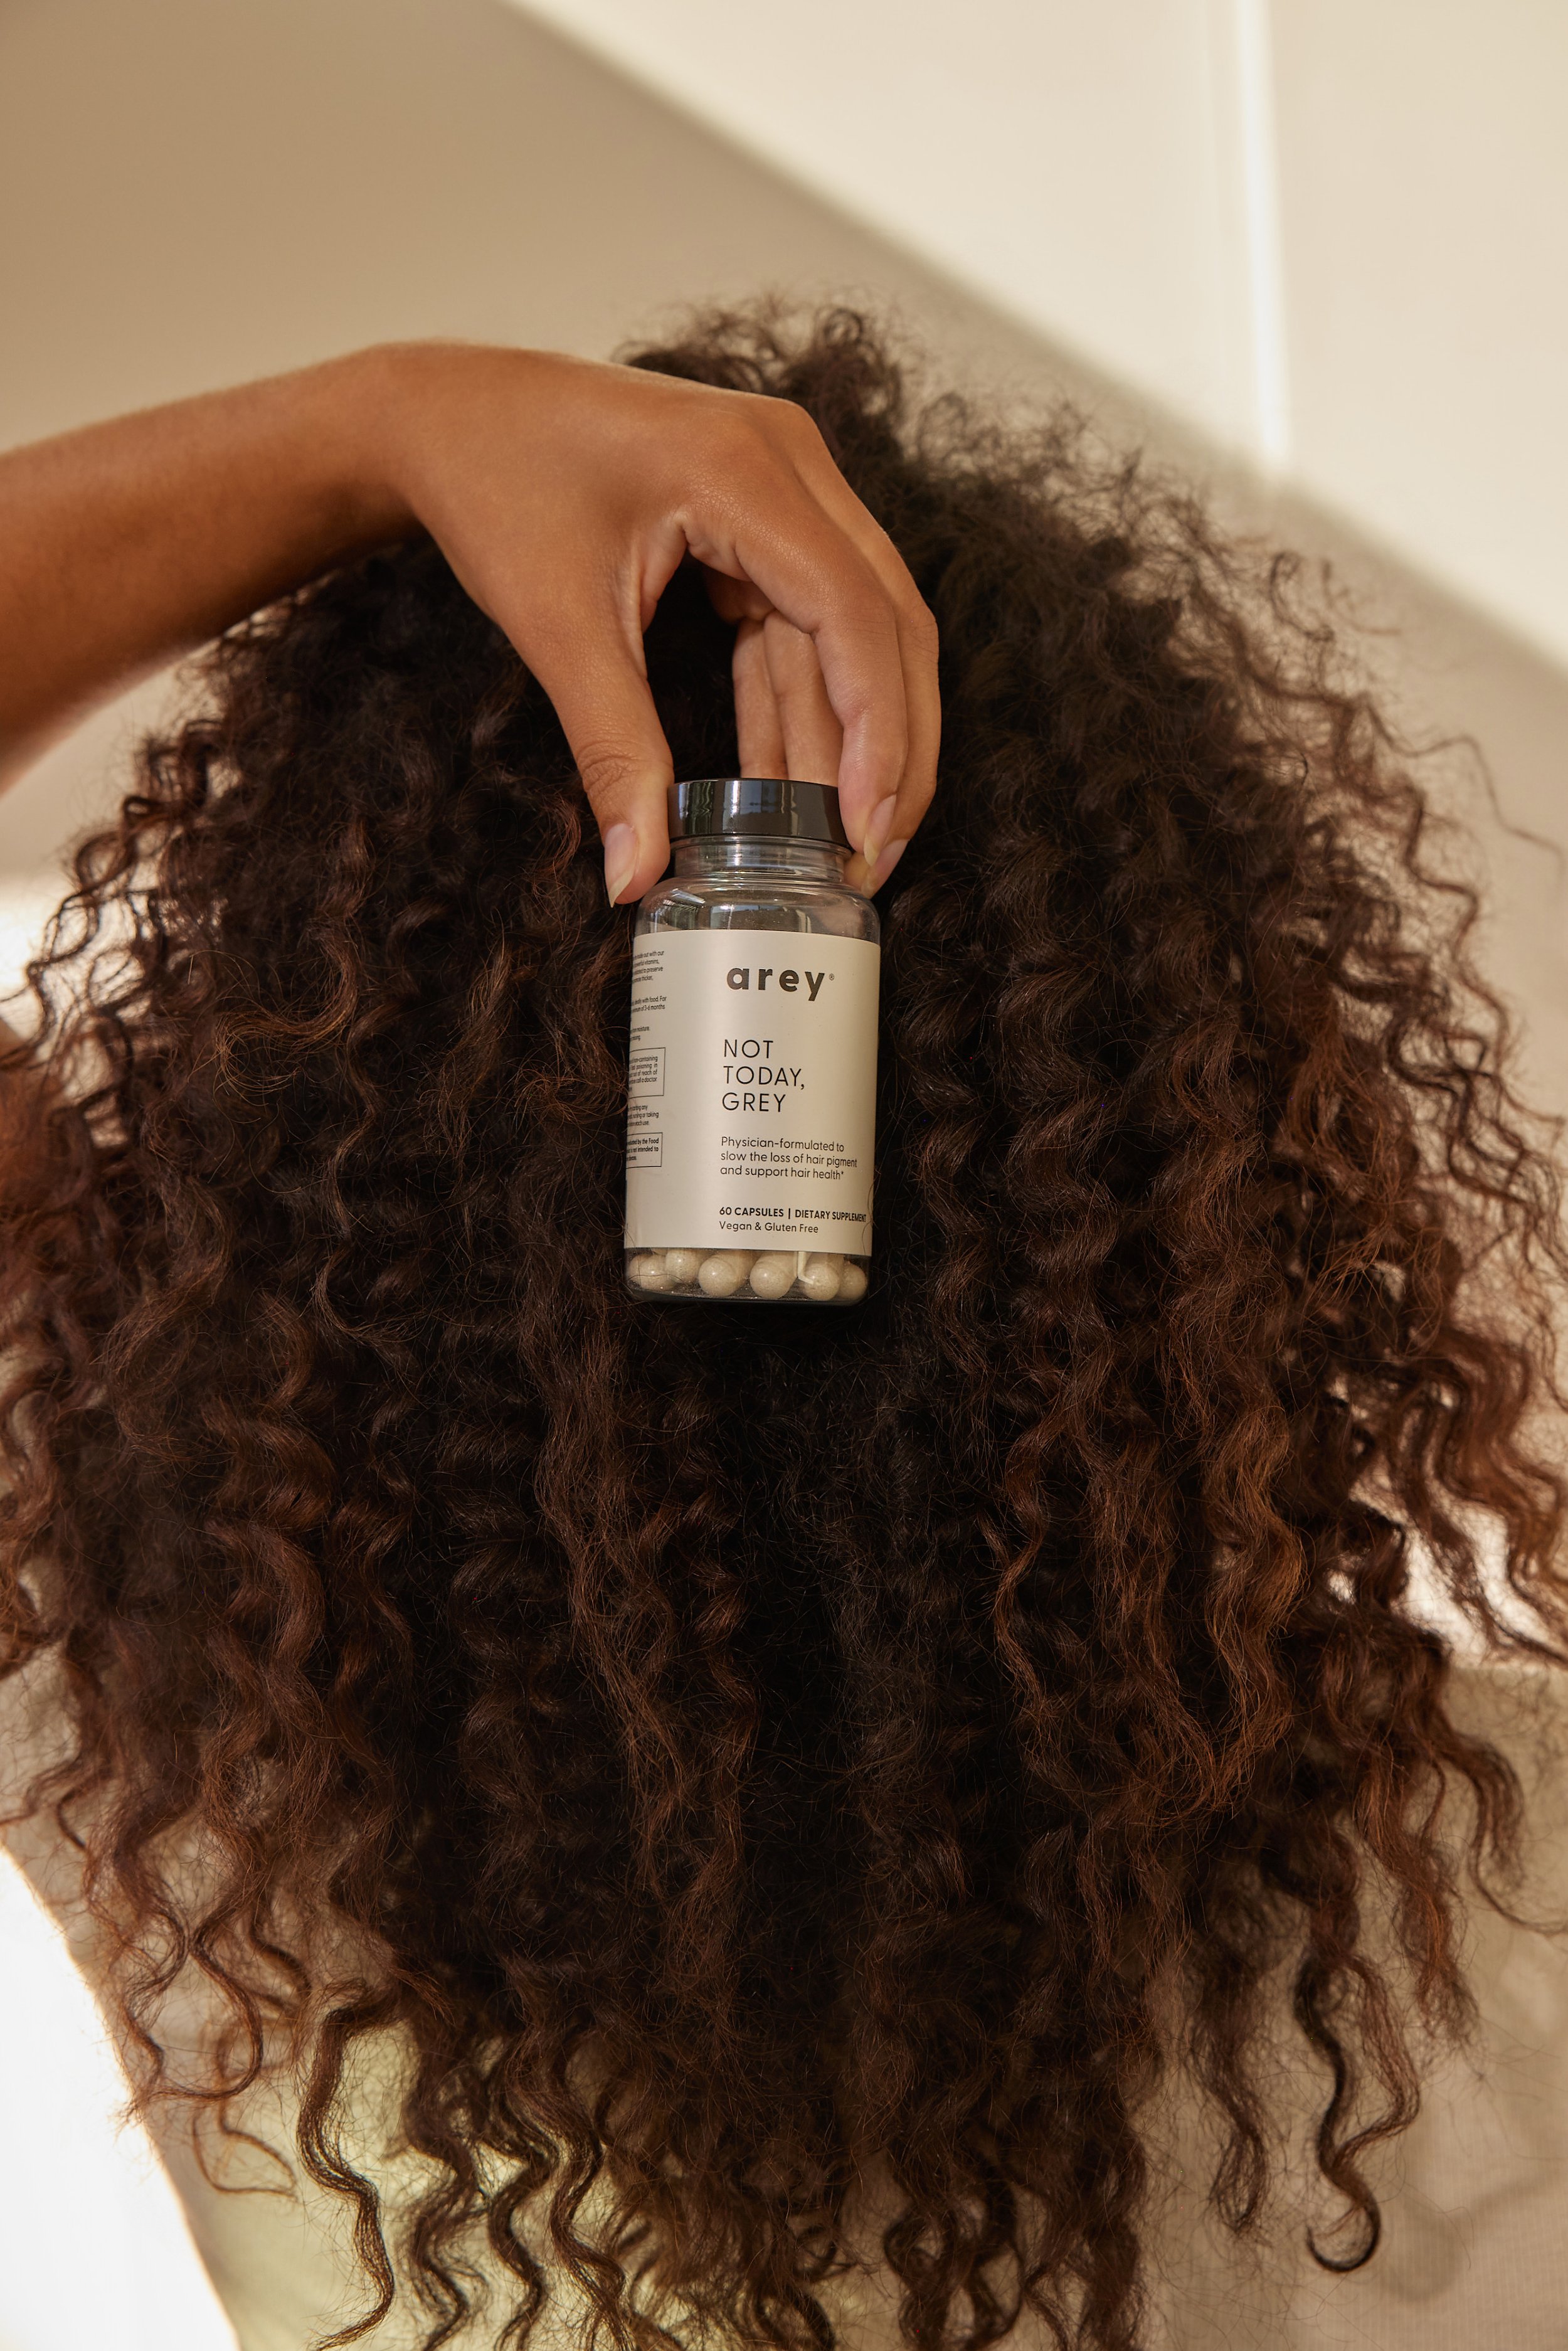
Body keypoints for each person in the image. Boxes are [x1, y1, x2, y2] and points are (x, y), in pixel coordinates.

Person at [1, 303, 1566, 2351]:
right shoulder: (1501, 1898)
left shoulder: (193, 1786)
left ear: (288, 1121)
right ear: (1208, 1107)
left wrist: (374, 424)